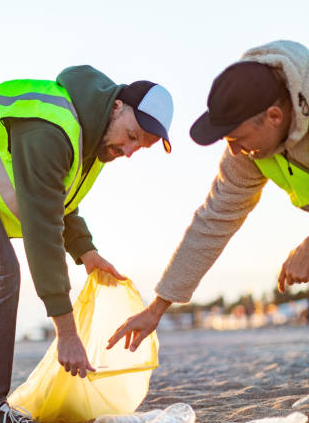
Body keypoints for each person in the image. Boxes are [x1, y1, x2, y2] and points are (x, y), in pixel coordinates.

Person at [0, 67, 173, 423]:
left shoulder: (94, 141)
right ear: (116, 107)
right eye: (131, 136)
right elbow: (42, 227)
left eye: (139, 147)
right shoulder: (53, 129)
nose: (129, 152)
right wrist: (66, 331)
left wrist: (86, 252)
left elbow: (59, 203)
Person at [107, 39, 309, 352]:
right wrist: (157, 308)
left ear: (273, 116)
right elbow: (213, 222)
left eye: (239, 138)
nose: (235, 150)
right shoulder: (247, 152)